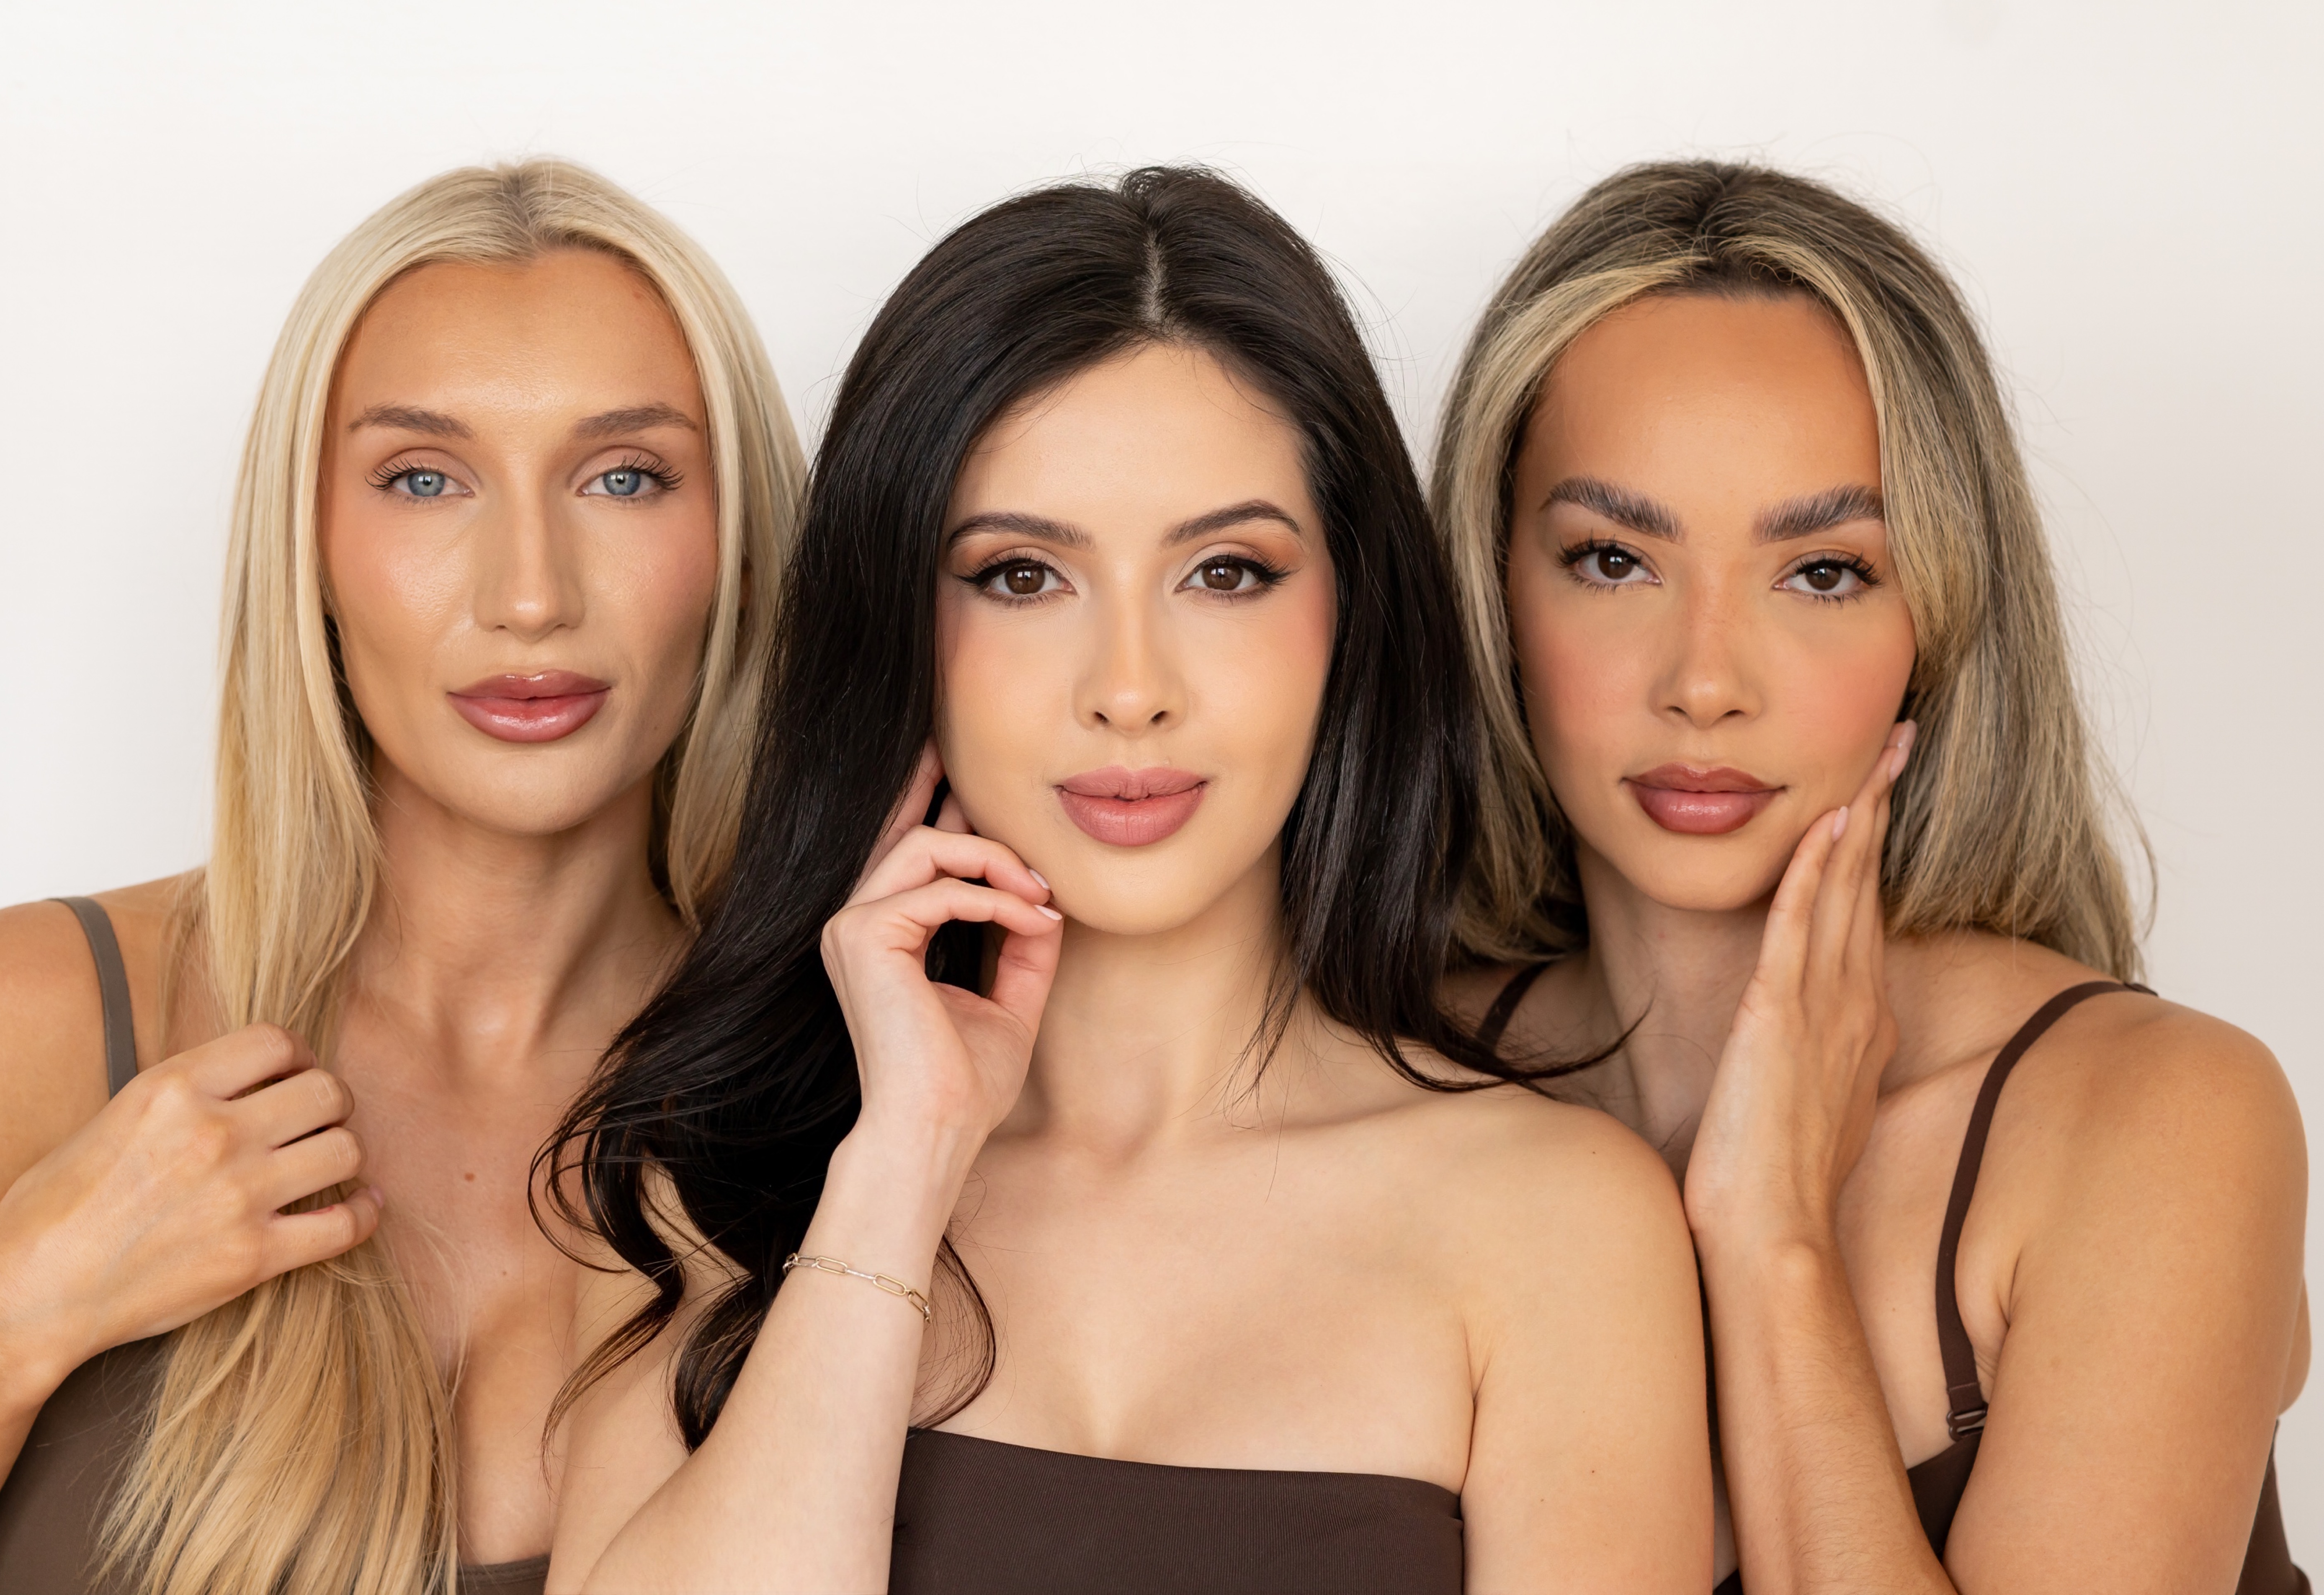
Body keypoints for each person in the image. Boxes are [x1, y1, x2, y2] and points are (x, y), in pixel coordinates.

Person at [539, 166, 1713, 1595]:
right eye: (1024, 577)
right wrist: (900, 1164)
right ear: (899, 625)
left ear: (1351, 610)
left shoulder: (1559, 1221)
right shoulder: (710, 1175)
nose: (1130, 690)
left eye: (1225, 573)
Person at [1433, 159, 2308, 1592]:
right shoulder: (1392, 1064)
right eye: (1611, 558)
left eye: (1824, 572)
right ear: (1490, 589)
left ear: (1941, 619)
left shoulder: (2162, 1121)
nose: (1704, 681)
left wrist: (1775, 1237)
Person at [0, 159, 803, 1595]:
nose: (531, 591)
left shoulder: (836, 1112)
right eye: (423, 478)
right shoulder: (25, 1023)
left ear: (741, 548)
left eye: (626, 476)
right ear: (313, 553)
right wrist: (9, 1318)